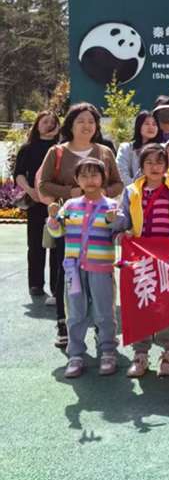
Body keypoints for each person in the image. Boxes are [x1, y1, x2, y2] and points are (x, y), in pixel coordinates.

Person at [38, 103, 124, 349]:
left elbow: (117, 183)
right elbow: (44, 184)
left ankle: (100, 329)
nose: (87, 126)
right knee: (66, 271)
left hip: (99, 221)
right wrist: (73, 192)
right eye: (81, 121)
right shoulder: (57, 152)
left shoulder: (104, 151)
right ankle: (64, 324)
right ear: (70, 125)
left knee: (100, 278)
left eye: (91, 121)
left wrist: (101, 194)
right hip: (70, 221)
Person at [111, 143, 169, 377]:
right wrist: (115, 220)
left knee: (167, 303)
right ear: (141, 166)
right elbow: (124, 219)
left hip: (168, 257)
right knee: (140, 302)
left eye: (159, 162)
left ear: (166, 166)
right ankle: (140, 353)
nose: (155, 167)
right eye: (149, 162)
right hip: (140, 256)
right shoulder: (132, 191)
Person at [46, 158, 119, 378]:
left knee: (104, 312)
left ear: (103, 178)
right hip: (73, 270)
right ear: (76, 180)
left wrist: (115, 222)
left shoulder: (112, 206)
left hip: (101, 269)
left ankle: (108, 352)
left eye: (94, 175)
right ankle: (76, 354)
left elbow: (118, 237)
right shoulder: (69, 206)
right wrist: (53, 218)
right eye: (84, 176)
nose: (90, 180)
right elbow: (58, 232)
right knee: (75, 313)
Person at [14, 110, 60, 298]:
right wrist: (30, 190)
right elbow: (19, 174)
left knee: (58, 244)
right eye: (44, 122)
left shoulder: (62, 148)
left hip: (58, 202)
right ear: (37, 126)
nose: (49, 125)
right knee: (35, 244)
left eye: (52, 122)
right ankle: (35, 284)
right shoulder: (28, 148)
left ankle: (57, 285)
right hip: (36, 202)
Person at [115, 111, 163, 185]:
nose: (151, 127)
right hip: (132, 190)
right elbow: (121, 174)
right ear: (139, 126)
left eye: (154, 124)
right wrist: (137, 188)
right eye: (147, 123)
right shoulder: (126, 148)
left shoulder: (163, 149)